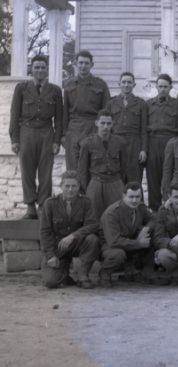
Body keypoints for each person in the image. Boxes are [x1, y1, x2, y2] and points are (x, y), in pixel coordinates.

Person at [9, 55, 63, 219]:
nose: (40, 70)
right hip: (26, 132)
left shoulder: (55, 90)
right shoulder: (21, 88)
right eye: (36, 67)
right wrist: (15, 139)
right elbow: (14, 114)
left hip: (47, 132)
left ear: (47, 70)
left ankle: (43, 206)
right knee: (27, 171)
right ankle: (30, 207)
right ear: (31, 69)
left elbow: (59, 118)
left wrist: (56, 140)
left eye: (43, 67)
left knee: (46, 172)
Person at [39, 171, 100, 289]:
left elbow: (93, 225)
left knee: (92, 239)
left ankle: (83, 276)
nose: (70, 190)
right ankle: (64, 273)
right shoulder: (50, 203)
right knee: (50, 282)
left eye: (74, 186)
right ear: (61, 186)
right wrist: (50, 255)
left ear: (79, 187)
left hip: (77, 243)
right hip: (58, 247)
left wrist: (73, 236)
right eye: (67, 186)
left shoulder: (85, 202)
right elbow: (45, 232)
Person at [99, 182, 155, 287]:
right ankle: (105, 273)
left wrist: (145, 229)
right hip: (109, 246)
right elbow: (114, 241)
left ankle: (137, 271)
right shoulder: (112, 213)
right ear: (124, 196)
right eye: (131, 197)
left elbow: (153, 219)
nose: (134, 200)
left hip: (129, 241)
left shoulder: (140, 207)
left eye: (138, 197)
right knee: (118, 254)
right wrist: (138, 243)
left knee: (151, 235)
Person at [63, 50, 110, 170]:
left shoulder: (100, 85)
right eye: (80, 63)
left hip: (93, 128)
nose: (83, 66)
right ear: (76, 64)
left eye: (86, 63)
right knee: (73, 167)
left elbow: (106, 111)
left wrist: (103, 133)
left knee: (92, 166)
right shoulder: (69, 84)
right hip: (73, 129)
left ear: (91, 65)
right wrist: (64, 134)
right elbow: (64, 112)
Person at [77, 110, 127, 219]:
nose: (105, 127)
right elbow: (82, 170)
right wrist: (87, 189)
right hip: (96, 183)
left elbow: (124, 168)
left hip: (115, 182)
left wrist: (120, 184)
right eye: (102, 123)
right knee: (93, 215)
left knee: (117, 214)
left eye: (108, 123)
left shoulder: (120, 142)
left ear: (113, 124)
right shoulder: (87, 143)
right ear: (96, 123)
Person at [145, 73, 178, 212]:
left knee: (169, 175)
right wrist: (145, 148)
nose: (162, 89)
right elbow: (144, 128)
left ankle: (170, 207)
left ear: (170, 87)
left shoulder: (176, 104)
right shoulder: (149, 104)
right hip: (153, 142)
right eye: (160, 86)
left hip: (170, 141)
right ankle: (155, 210)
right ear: (156, 87)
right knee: (153, 177)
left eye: (165, 87)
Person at [105, 72, 147, 185]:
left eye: (129, 82)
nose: (126, 85)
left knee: (135, 178)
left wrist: (143, 149)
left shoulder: (141, 104)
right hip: (116, 142)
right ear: (119, 84)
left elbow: (144, 129)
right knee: (117, 177)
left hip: (134, 144)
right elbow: (107, 127)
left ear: (134, 85)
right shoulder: (111, 103)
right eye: (124, 82)